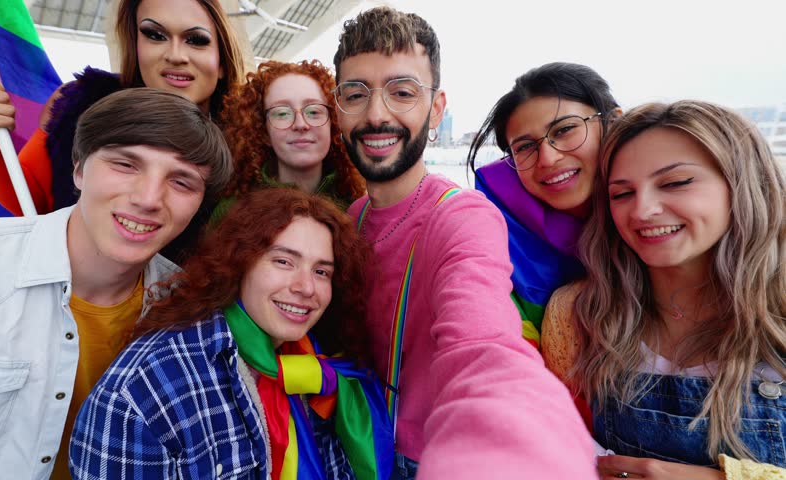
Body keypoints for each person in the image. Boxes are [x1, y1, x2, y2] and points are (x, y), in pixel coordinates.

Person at [332, 7, 596, 479]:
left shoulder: (462, 216)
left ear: (436, 108)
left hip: (423, 455)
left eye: (402, 93)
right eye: (356, 93)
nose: (376, 114)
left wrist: (516, 436)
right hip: (359, 439)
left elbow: (483, 344)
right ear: (338, 107)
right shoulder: (355, 216)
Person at [0, 88, 233, 480]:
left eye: (182, 182)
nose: (148, 198)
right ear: (78, 169)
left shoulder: (192, 314)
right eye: (126, 164)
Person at [69, 188, 394, 480]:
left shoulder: (310, 366)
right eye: (283, 261)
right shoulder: (148, 390)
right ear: (241, 263)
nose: (306, 287)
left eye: (321, 271)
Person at [542, 100, 786, 479]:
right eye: (622, 194)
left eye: (675, 183)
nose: (642, 211)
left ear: (743, 184)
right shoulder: (577, 315)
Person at [0, 0, 243, 219]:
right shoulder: (79, 103)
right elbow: (30, 198)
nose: (175, 55)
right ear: (135, 44)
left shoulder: (255, 135)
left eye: (196, 40)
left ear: (221, 60)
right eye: (155, 35)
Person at [466, 62, 621, 349]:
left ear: (612, 121)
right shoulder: (491, 237)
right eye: (524, 147)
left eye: (564, 130)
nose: (548, 159)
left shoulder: (661, 208)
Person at [211, 60, 365, 222]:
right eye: (282, 113)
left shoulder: (358, 208)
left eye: (313, 111)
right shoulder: (232, 214)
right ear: (263, 131)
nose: (300, 124)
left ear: (333, 124)